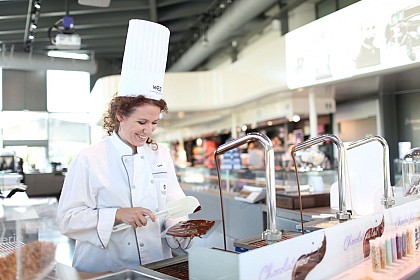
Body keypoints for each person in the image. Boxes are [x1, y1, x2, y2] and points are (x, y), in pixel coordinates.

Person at [57, 19, 190, 273]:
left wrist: (180, 229)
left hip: (156, 265)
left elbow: (175, 207)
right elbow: (67, 220)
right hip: (105, 268)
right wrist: (117, 214)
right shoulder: (89, 158)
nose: (148, 130)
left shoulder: (160, 154)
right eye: (141, 121)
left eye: (154, 122)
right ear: (119, 114)